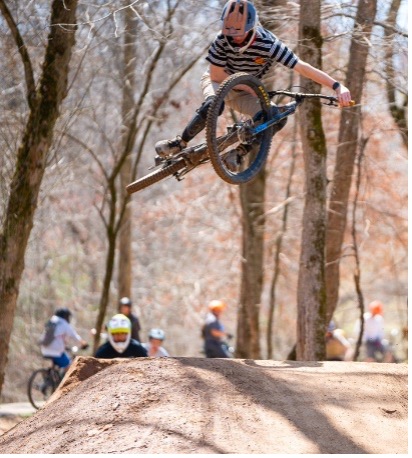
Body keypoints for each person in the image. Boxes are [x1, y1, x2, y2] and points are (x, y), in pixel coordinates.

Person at [155, 0, 352, 163]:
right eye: (230, 33)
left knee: (276, 117)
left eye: (240, 34)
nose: (235, 39)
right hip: (219, 81)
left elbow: (301, 67)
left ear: (251, 28)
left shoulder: (268, 44)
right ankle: (180, 142)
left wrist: (337, 85)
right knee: (213, 105)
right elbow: (216, 76)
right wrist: (249, 88)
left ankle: (238, 153)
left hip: (245, 91)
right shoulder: (222, 40)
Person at [40, 307, 88, 372]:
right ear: (65, 316)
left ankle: (49, 376)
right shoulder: (64, 324)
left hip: (44, 349)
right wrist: (83, 343)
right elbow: (75, 336)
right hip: (55, 351)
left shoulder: (51, 321)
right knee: (69, 365)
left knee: (58, 361)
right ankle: (65, 381)